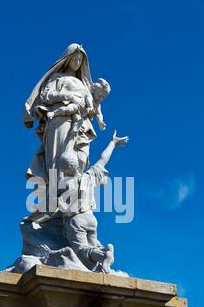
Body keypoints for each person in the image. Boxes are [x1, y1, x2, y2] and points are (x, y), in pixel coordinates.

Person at [24, 44, 99, 180]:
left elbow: (91, 108)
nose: (77, 63)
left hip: (80, 125)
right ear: (68, 59)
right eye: (74, 59)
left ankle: (72, 194)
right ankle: (55, 195)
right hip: (60, 120)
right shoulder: (58, 77)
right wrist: (69, 96)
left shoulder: (83, 85)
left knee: (78, 161)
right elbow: (46, 96)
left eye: (79, 61)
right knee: (57, 161)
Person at [57, 130, 129, 273]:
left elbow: (57, 206)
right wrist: (113, 143)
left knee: (82, 250)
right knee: (92, 245)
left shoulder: (64, 184)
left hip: (76, 220)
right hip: (90, 218)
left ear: (64, 171)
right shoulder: (89, 176)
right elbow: (103, 159)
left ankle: (103, 255)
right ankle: (103, 254)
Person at [46, 78, 111, 135]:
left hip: (81, 113)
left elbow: (99, 114)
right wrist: (90, 107)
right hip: (77, 106)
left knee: (78, 119)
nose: (100, 99)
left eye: (103, 97)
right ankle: (54, 113)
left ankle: (75, 128)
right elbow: (88, 100)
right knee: (68, 109)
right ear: (94, 90)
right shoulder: (90, 95)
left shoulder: (98, 105)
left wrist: (100, 121)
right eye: (100, 95)